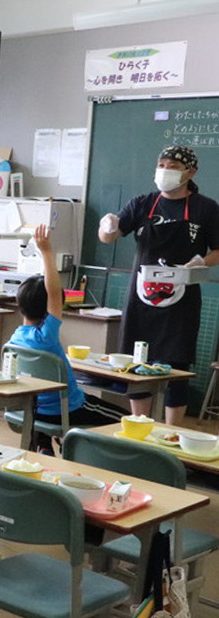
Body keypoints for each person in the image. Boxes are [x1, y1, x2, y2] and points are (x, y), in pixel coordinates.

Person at [99, 145, 219, 426]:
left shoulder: (206, 209)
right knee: (138, 363)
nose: (165, 171)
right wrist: (106, 226)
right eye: (162, 164)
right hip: (141, 299)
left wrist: (200, 261)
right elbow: (110, 237)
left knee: (175, 365)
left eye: (173, 166)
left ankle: (170, 431)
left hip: (182, 301)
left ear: (191, 172)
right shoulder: (142, 203)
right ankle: (139, 424)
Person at [9, 225, 128, 454]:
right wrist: (46, 252)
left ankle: (43, 442)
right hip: (69, 409)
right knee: (128, 420)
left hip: (34, 411)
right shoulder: (46, 336)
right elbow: (53, 293)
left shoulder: (15, 339)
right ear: (50, 308)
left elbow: (50, 295)